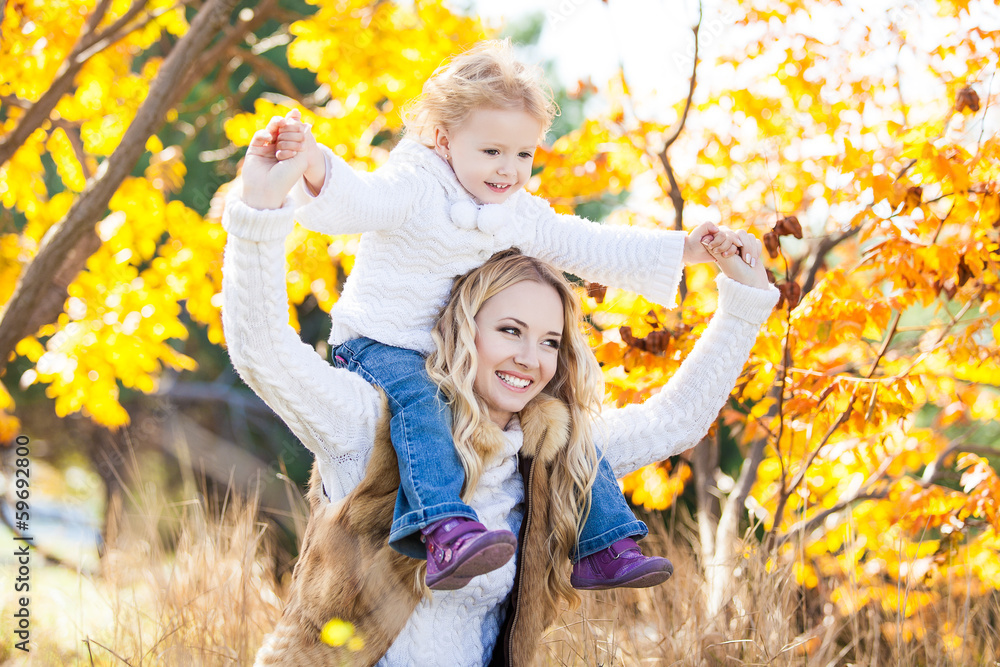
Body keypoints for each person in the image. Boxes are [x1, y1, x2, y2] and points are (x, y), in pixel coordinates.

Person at [221, 118, 778, 665]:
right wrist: (260, 211)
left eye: (549, 341)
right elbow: (261, 348)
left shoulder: (545, 452)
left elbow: (675, 421)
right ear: (465, 332)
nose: (529, 358)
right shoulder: (373, 420)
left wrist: (743, 303)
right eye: (510, 331)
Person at [256, 39, 758, 590]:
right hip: (380, 347)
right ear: (443, 140)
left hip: (457, 358)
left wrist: (687, 249)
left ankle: (602, 544)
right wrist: (311, 161)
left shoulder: (515, 212)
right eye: (492, 152)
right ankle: (443, 529)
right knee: (421, 410)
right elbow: (358, 199)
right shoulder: (415, 184)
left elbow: (592, 245)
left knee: (558, 420)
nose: (509, 170)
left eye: (524, 155)